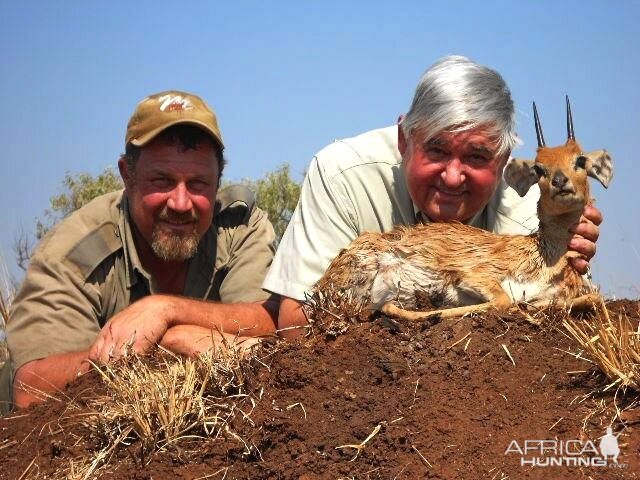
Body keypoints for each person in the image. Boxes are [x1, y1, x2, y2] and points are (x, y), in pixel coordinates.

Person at [263, 56, 602, 334]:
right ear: (403, 140)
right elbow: (298, 319)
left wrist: (573, 237)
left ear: (504, 161)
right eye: (436, 150)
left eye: (477, 157)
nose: (453, 177)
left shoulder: (534, 198)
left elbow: (566, 304)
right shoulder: (344, 171)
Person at [5, 91, 279, 409]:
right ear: (127, 176)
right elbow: (31, 389)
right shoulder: (72, 253)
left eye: (198, 184)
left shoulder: (239, 224)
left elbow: (272, 320)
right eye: (162, 180)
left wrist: (166, 311)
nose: (180, 203)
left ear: (218, 183)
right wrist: (166, 347)